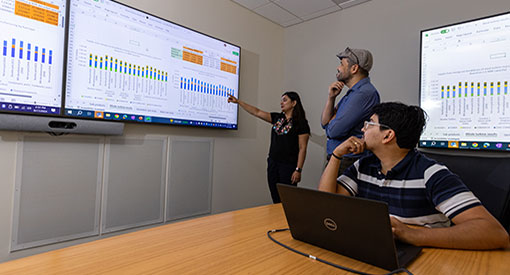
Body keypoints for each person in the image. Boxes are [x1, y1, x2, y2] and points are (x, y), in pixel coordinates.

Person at [318, 102, 509, 250]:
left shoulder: (430, 174)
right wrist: (336, 155)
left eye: (369, 124)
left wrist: (412, 235)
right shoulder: (364, 166)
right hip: (379, 249)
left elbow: (494, 232)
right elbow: (327, 204)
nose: (362, 129)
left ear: (388, 135)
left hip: (428, 258)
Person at [228, 92, 310, 203]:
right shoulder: (277, 118)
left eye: (285, 100)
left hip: (288, 167)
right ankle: (278, 220)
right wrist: (238, 102)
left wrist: (298, 170)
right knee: (275, 197)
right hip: (273, 163)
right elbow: (256, 112)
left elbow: (302, 148)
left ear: (294, 103)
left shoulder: (301, 123)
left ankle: (286, 220)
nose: (281, 103)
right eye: (281, 100)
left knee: (287, 200)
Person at [321, 47, 380, 175]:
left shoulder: (364, 93)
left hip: (346, 161)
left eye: (342, 64)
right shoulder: (352, 93)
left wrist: (332, 122)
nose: (338, 68)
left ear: (354, 69)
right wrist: (331, 98)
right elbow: (325, 123)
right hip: (339, 159)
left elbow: (333, 131)